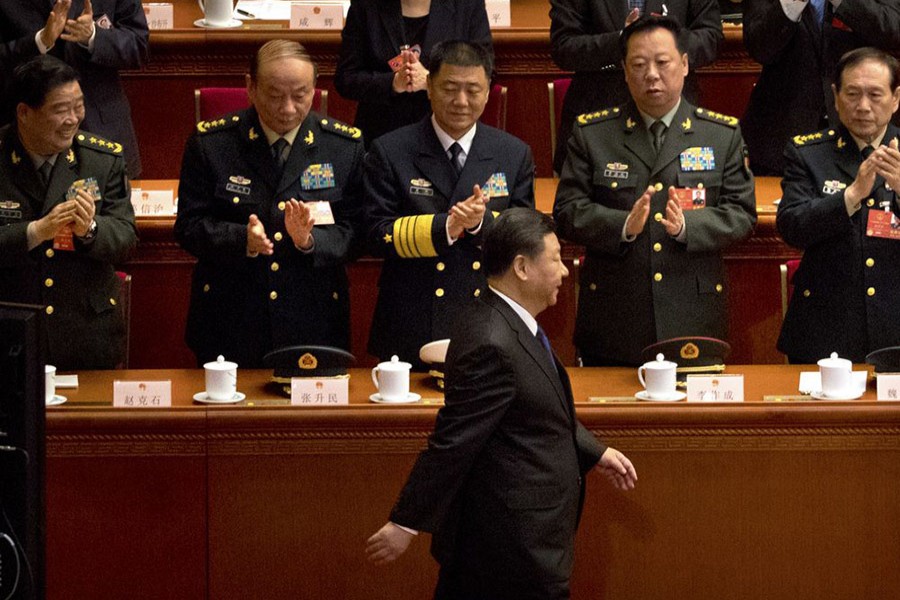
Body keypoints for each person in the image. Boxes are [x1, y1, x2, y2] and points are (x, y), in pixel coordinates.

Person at [366, 207, 637, 600]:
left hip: (523, 547)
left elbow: (534, 408)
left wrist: (593, 451)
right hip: (507, 554)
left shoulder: (508, 322)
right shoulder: (492, 341)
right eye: (556, 259)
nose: (565, 272)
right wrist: (405, 524)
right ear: (522, 267)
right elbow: (453, 441)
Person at [553, 16, 757, 367]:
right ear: (624, 69)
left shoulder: (721, 134)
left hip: (693, 317)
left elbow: (742, 214)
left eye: (662, 63)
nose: (651, 74)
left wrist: (688, 227)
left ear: (685, 64)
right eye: (638, 64)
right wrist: (622, 226)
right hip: (616, 319)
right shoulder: (593, 133)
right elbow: (567, 210)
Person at [175, 40, 365, 368]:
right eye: (275, 95)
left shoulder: (343, 146)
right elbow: (189, 226)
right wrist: (241, 240)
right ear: (251, 87)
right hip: (231, 318)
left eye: (300, 95)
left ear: (315, 89)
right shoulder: (212, 143)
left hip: (313, 320)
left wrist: (310, 241)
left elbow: (359, 231)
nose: (288, 108)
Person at [364, 40, 535, 368]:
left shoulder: (513, 153)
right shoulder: (391, 150)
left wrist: (480, 224)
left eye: (473, 90)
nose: (461, 101)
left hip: (487, 319)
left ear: (488, 92)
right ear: (428, 87)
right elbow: (374, 232)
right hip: (411, 319)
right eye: (450, 88)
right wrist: (445, 227)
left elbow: (525, 233)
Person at [0, 55, 137, 369]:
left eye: (79, 106)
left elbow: (126, 238)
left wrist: (90, 229)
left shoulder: (101, 160)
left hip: (85, 334)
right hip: (12, 331)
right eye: (60, 109)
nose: (73, 119)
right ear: (24, 112)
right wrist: (36, 231)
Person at [777, 47, 900, 364]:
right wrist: (850, 196)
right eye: (853, 94)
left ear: (896, 98)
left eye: (875, 95)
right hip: (825, 328)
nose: (863, 106)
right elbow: (791, 226)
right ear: (835, 95)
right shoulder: (809, 153)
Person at [549, 0, 722, 173]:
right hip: (599, 121)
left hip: (675, 122)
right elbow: (563, 45)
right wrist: (625, 41)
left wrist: (663, 40)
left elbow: (711, 38)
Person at [742, 0, 900, 175]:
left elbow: (892, 29)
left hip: (861, 137)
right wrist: (793, 4)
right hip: (781, 138)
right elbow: (759, 47)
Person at [0, 0, 150, 178]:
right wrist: (39, 42)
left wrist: (93, 36)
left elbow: (138, 45)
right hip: (27, 141)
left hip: (102, 129)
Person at [335, 0, 492, 147]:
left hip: (447, 133)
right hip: (381, 133)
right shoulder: (365, 6)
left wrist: (431, 81)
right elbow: (346, 78)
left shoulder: (467, 5)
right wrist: (394, 83)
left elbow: (487, 71)